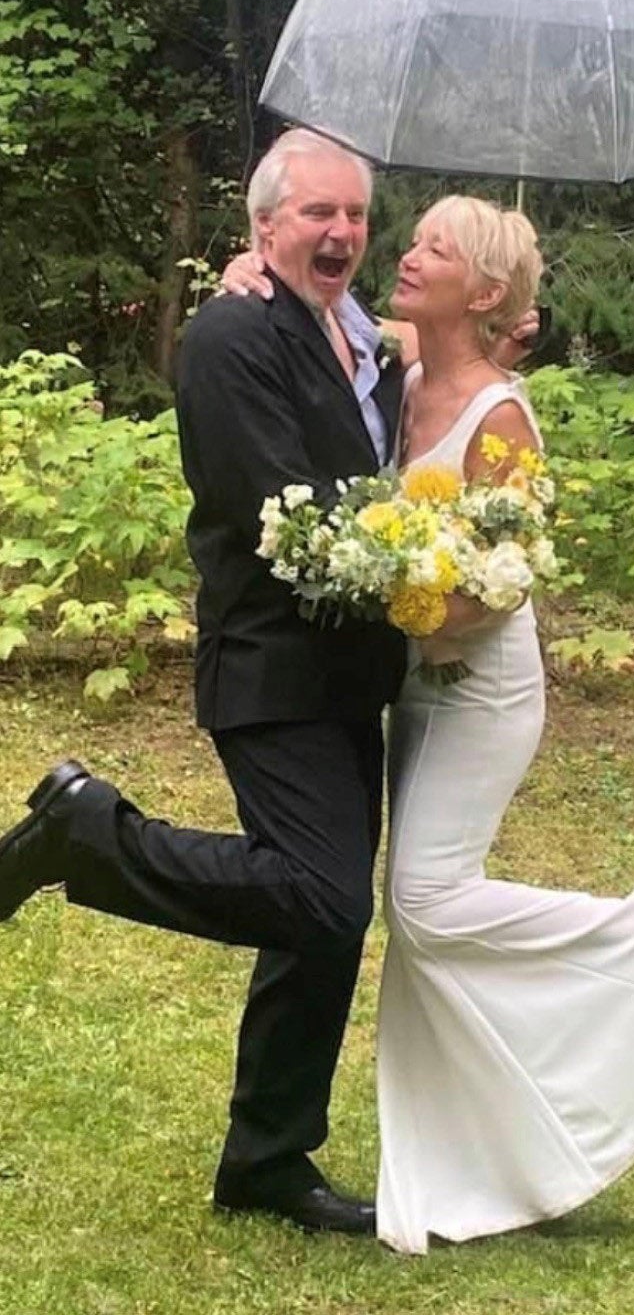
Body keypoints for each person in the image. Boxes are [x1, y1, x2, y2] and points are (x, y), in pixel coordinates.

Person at [223, 192, 634, 1254]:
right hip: (414, 690)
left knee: (424, 901)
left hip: (482, 691)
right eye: (409, 239)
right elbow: (315, 309)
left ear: (489, 291)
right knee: (419, 931)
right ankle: (471, 1157)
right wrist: (251, 270)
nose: (404, 255)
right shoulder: (403, 368)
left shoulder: (500, 418)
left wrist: (403, 594)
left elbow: (509, 578)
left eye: (433, 248)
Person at [0, 128, 409, 1235]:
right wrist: (419, 562)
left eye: (355, 216)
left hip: (351, 674)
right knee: (326, 895)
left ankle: (268, 1157)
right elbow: (273, 506)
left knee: (313, 924)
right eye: (315, 213)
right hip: (273, 667)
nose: (339, 232)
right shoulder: (235, 334)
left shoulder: (358, 339)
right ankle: (87, 834)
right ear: (263, 226)